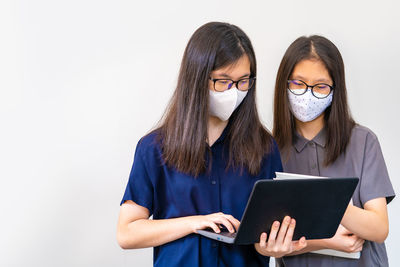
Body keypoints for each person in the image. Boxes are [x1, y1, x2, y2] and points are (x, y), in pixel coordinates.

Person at [117, 22, 306, 267]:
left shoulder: (264, 147)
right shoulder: (153, 148)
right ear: (196, 78)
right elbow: (127, 233)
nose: (234, 92)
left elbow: (265, 233)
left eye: (243, 81)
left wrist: (274, 245)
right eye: (223, 81)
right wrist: (195, 222)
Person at [272, 35, 395, 266]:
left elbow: (378, 228)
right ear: (284, 84)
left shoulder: (363, 141)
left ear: (334, 89)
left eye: (320, 86)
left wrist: (324, 202)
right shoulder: (270, 150)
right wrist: (327, 239)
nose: (307, 94)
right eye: (298, 83)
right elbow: (269, 242)